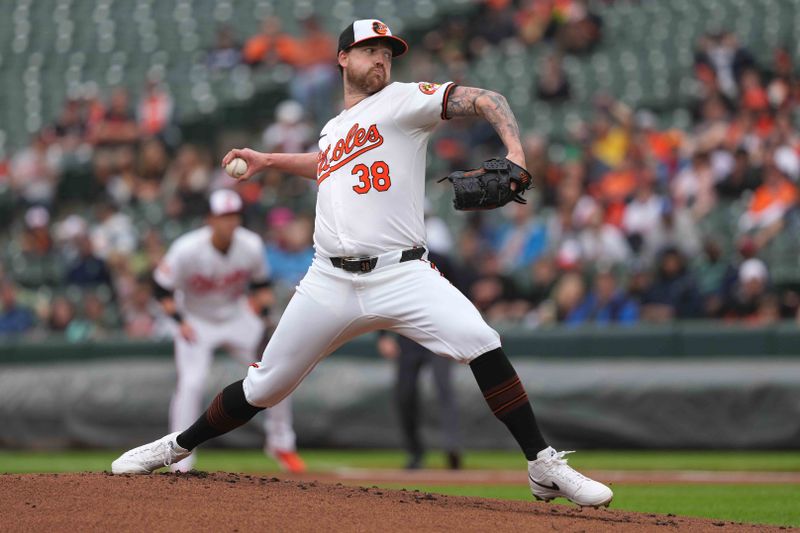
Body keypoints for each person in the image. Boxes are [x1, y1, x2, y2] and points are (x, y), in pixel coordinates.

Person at [112, 19, 612, 508]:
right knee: (263, 387)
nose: (381, 58)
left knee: (483, 342)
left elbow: (487, 100)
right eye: (371, 49)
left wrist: (515, 150)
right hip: (328, 279)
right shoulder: (334, 130)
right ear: (342, 58)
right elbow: (327, 162)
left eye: (388, 52)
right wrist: (269, 160)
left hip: (403, 273)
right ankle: (174, 447)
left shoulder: (403, 100)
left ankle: (542, 464)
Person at [150, 189, 305, 473]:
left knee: (277, 370)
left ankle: (281, 443)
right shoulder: (187, 249)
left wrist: (266, 318)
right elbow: (161, 287)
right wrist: (178, 320)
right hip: (196, 318)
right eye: (223, 216)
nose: (229, 222)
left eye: (234, 216)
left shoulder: (251, 245)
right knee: (192, 383)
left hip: (236, 315)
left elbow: (260, 287)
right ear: (210, 219)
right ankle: (179, 458)